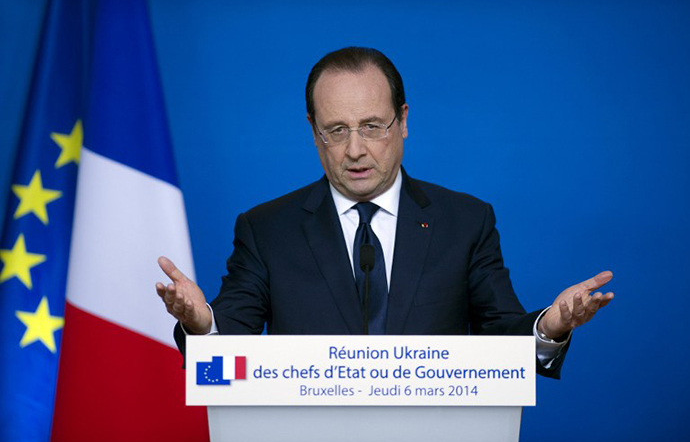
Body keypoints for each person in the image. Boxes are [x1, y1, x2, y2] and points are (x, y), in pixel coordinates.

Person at [155, 47, 613, 378]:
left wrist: (548, 327)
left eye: (373, 127)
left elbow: (501, 337)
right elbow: (228, 345)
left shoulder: (465, 221)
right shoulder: (266, 230)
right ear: (314, 132)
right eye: (336, 130)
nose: (355, 150)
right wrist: (202, 324)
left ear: (404, 121)